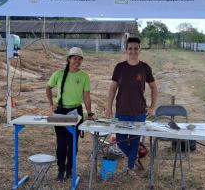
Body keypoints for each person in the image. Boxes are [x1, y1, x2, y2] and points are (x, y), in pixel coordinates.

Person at [105, 37, 158, 176]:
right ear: (126, 50)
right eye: (130, 48)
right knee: (121, 141)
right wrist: (109, 107)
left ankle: (130, 168)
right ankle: (134, 158)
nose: (133, 51)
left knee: (134, 141)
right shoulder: (120, 67)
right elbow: (112, 89)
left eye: (136, 48)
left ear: (139, 49)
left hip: (139, 112)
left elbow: (153, 87)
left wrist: (152, 107)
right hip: (121, 111)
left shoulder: (145, 67)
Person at [46, 47, 95, 182]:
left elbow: (86, 97)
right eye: (74, 58)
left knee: (73, 143)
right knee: (62, 143)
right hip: (60, 111)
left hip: (76, 112)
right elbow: (48, 87)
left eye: (80, 59)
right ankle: (60, 170)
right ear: (68, 59)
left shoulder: (84, 76)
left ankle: (69, 169)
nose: (77, 61)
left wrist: (89, 113)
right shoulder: (59, 74)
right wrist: (51, 104)